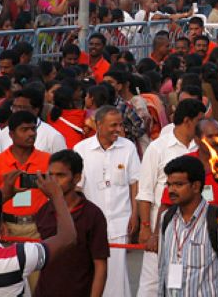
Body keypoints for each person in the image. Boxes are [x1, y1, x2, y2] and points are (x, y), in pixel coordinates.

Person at [136, 98, 203, 297]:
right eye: (200, 120)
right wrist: (145, 227)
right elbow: (145, 191)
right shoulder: (158, 148)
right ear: (188, 121)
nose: (203, 125)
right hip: (162, 226)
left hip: (196, 225)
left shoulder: (202, 147)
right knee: (151, 280)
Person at [75, 105, 141, 297]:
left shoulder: (128, 147)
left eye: (120, 125)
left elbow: (135, 183)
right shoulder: (81, 149)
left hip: (120, 222)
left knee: (117, 274)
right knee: (92, 272)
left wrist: (135, 215)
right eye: (113, 125)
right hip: (91, 225)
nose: (118, 129)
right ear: (98, 125)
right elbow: (77, 188)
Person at [156, 155, 218, 297]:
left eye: (178, 184)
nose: (171, 190)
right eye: (169, 184)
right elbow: (162, 269)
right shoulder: (166, 218)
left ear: (196, 186)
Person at [33, 150, 108, 297]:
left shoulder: (93, 215)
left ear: (77, 178)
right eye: (50, 175)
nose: (54, 181)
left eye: (61, 175)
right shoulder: (43, 212)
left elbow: (100, 265)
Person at [0, 110, 50, 246]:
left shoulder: (47, 160)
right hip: (7, 228)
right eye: (24, 130)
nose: (31, 133)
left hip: (39, 227)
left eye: (33, 129)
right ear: (11, 134)